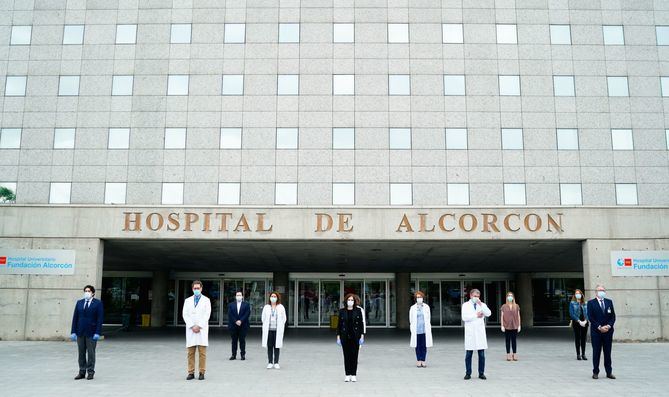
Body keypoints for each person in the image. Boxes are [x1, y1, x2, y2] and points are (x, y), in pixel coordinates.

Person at [70, 285, 104, 380]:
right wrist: (73, 331)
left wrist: (98, 332)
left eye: (88, 291)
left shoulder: (98, 303)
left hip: (92, 332)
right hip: (80, 332)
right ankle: (81, 372)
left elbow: (99, 319)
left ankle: (90, 372)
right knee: (81, 353)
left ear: (93, 293)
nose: (87, 292)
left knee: (91, 353)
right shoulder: (79, 303)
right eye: (85, 291)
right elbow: (75, 318)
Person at [182, 280, 211, 380]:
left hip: (201, 329)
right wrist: (192, 326)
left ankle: (202, 372)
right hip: (191, 330)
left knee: (202, 353)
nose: (196, 290)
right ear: (192, 289)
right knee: (190, 353)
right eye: (195, 288)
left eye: (198, 288)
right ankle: (191, 372)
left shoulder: (206, 300)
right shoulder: (187, 300)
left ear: (201, 288)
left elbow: (207, 314)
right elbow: (185, 314)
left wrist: (199, 326)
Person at [587, 285, 616, 379]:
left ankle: (609, 372)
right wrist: (599, 327)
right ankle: (595, 372)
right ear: (596, 292)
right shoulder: (591, 303)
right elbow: (590, 317)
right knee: (596, 352)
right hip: (596, 332)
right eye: (599, 290)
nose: (601, 292)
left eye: (603, 290)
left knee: (607, 353)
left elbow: (613, 316)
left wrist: (608, 326)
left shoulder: (609, 302)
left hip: (608, 332)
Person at [461, 288, 491, 380]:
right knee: (468, 354)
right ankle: (468, 373)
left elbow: (488, 313)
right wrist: (476, 315)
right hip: (470, 333)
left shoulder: (482, 305)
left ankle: (481, 373)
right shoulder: (465, 305)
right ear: (470, 296)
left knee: (481, 355)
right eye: (475, 296)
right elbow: (464, 317)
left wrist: (481, 305)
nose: (476, 298)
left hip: (479, 333)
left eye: (478, 296)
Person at [336, 293, 366, 382]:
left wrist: (362, 336)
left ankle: (353, 374)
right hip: (345, 336)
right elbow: (339, 325)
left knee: (354, 356)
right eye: (349, 300)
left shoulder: (358, 311)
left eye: (352, 300)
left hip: (355, 336)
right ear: (346, 301)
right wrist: (338, 337)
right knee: (346, 356)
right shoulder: (342, 311)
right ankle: (347, 374)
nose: (350, 302)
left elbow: (361, 324)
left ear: (354, 301)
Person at [261, 291, 287, 369]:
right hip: (269, 330)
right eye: (272, 296)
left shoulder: (281, 307)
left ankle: (276, 362)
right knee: (269, 346)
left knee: (277, 346)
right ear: (269, 298)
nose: (273, 298)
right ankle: (270, 362)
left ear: (277, 298)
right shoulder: (266, 307)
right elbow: (263, 318)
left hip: (277, 330)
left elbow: (284, 318)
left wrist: (281, 325)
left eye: (275, 296)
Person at [409, 290, 433, 367]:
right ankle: (418, 360)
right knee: (417, 346)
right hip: (416, 330)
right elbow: (411, 319)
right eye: (418, 297)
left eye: (420, 297)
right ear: (415, 298)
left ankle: (423, 360)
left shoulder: (426, 307)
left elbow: (428, 318)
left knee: (424, 346)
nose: (419, 298)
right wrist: (412, 328)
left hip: (424, 330)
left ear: (423, 298)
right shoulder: (412, 308)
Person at [228, 290, 250, 360]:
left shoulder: (246, 304)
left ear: (242, 296)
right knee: (234, 341)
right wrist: (235, 321)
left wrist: (241, 321)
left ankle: (243, 355)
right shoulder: (231, 305)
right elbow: (230, 314)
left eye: (240, 295)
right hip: (233, 326)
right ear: (235, 296)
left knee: (242, 340)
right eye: (237, 295)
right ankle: (233, 355)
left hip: (243, 325)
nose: (238, 296)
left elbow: (247, 313)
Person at [500, 291, 521, 361]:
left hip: (514, 325)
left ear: (513, 297)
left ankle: (514, 354)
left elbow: (518, 316)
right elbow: (502, 316)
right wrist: (502, 325)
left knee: (514, 340)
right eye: (508, 296)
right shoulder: (503, 306)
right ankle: (508, 354)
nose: (510, 297)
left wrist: (519, 325)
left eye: (511, 296)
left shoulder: (516, 306)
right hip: (507, 326)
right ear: (506, 297)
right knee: (507, 340)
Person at [569, 289, 588, 361]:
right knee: (577, 338)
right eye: (576, 293)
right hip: (577, 322)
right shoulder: (572, 303)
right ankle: (578, 354)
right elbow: (571, 314)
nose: (578, 295)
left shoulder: (585, 303)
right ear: (574, 295)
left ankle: (583, 354)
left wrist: (586, 320)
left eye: (579, 293)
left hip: (585, 322)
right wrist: (579, 321)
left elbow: (588, 313)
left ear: (581, 294)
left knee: (583, 338)